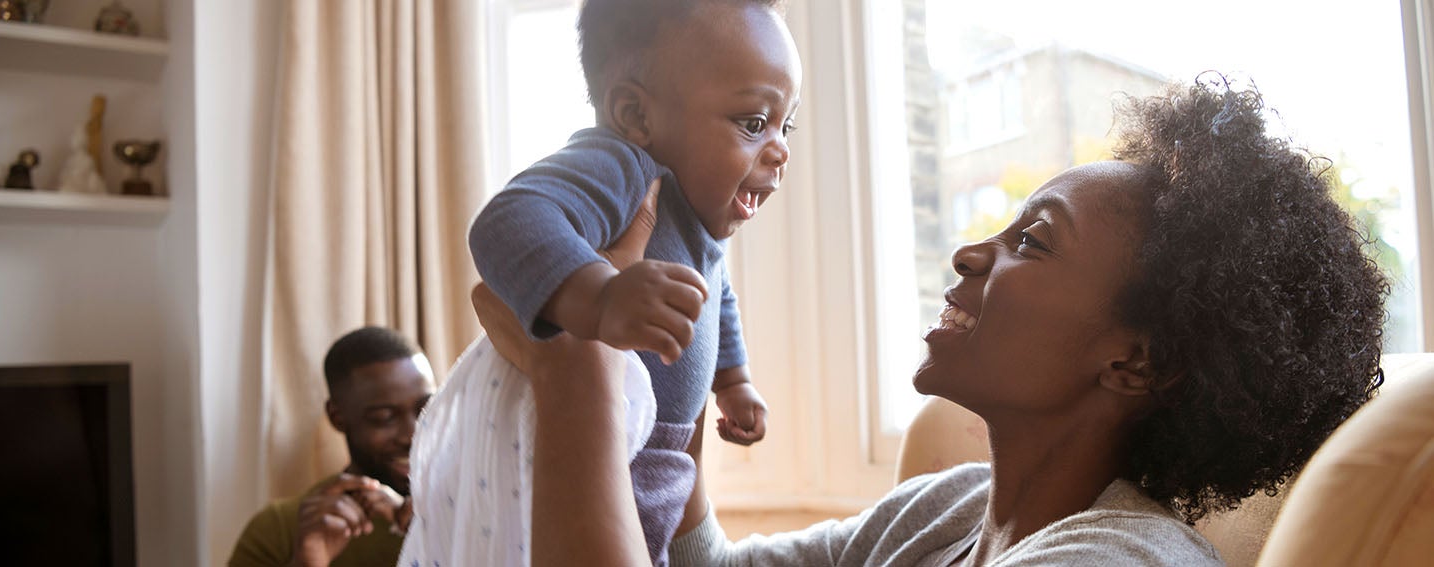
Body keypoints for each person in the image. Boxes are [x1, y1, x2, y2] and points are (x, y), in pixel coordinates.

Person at [477, 76, 1391, 566]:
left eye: (1032, 241)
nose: (968, 252)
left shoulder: (1125, 561)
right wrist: (670, 371)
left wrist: (580, 380)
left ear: (1135, 361)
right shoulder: (945, 514)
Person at [434, 0, 802, 564]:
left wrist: (734, 379)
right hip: (578, 452)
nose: (779, 150)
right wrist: (598, 295)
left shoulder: (699, 224)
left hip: (657, 461)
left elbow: (715, 296)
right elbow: (507, 220)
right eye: (754, 123)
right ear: (636, 115)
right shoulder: (624, 169)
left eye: (785, 124)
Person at [228, 327, 435, 567]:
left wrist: (435, 533)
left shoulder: (471, 507)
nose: (412, 435)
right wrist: (307, 561)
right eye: (384, 417)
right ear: (337, 417)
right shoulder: (281, 529)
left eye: (427, 409)